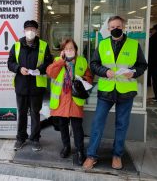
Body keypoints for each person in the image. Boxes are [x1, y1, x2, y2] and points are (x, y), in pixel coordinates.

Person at [83, 16, 147, 170]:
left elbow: (142, 65)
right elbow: (93, 64)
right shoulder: (103, 44)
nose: (115, 29)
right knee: (98, 123)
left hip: (126, 91)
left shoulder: (133, 44)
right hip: (106, 91)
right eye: (112, 27)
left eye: (118, 26)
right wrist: (105, 71)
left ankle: (117, 155)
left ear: (123, 27)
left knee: (122, 124)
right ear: (108, 29)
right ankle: (91, 155)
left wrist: (133, 73)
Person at [7, 20, 53, 152]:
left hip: (36, 86)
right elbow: (10, 63)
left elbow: (49, 63)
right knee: (21, 113)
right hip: (21, 85)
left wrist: (40, 69)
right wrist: (19, 68)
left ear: (36, 31)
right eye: (28, 29)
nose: (30, 31)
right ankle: (20, 138)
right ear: (24, 31)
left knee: (35, 114)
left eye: (33, 29)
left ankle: (35, 139)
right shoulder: (16, 46)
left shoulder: (43, 45)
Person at [46, 38, 93, 165]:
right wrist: (61, 61)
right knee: (63, 126)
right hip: (61, 100)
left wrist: (83, 79)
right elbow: (50, 73)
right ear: (63, 51)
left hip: (75, 100)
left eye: (71, 48)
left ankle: (80, 151)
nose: (69, 51)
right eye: (66, 49)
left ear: (76, 50)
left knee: (77, 127)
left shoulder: (82, 61)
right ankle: (66, 146)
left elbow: (89, 77)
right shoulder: (57, 60)